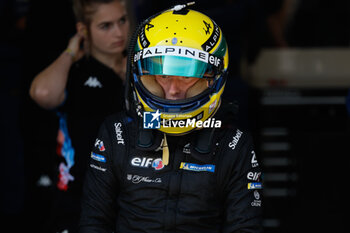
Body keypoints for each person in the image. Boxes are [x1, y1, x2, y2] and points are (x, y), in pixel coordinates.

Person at [79, 3, 263, 233]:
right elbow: (93, 223)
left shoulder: (234, 144)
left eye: (187, 77)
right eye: (162, 76)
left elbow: (245, 228)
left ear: (213, 78)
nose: (173, 90)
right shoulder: (117, 134)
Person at [29, 0, 131, 232]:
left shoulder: (142, 70)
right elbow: (42, 93)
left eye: (122, 21)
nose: (118, 32)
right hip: (78, 197)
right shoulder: (74, 72)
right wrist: (72, 50)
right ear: (84, 29)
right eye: (105, 26)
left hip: (131, 198)